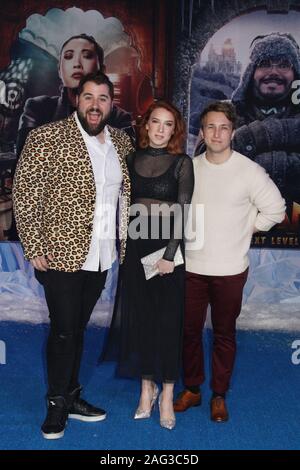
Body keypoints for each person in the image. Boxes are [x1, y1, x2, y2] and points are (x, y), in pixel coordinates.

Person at [13, 71, 133, 439]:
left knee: (78, 329)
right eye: (88, 97)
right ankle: (56, 403)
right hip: (60, 255)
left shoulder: (123, 143)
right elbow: (25, 193)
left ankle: (72, 393)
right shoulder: (46, 138)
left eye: (103, 99)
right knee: (64, 331)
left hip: (101, 254)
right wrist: (34, 247)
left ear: (111, 105)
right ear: (75, 100)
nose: (95, 105)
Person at [174, 101, 286, 422]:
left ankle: (219, 395)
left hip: (230, 272)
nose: (217, 133)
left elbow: (276, 210)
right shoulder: (190, 169)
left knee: (225, 334)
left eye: (224, 127)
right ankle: (193, 389)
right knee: (189, 332)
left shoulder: (249, 171)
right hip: (192, 268)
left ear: (232, 132)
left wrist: (248, 226)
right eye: (211, 127)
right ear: (203, 131)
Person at [108, 101, 194, 430]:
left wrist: (170, 255)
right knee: (142, 320)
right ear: (145, 125)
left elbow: (183, 212)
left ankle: (168, 394)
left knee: (169, 322)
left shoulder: (182, 163)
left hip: (168, 251)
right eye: (155, 122)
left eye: (167, 124)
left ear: (175, 130)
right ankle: (147, 390)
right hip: (137, 247)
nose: (160, 129)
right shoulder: (130, 160)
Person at [196, 32, 300, 218]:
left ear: (295, 74)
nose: (274, 72)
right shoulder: (223, 111)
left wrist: (243, 154)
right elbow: (205, 164)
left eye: (284, 65)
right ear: (251, 72)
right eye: (265, 64)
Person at [16, 33, 134, 157]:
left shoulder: (119, 118)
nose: (77, 63)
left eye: (87, 56)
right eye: (68, 56)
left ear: (102, 70)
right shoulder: (37, 108)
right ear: (59, 70)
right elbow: (26, 160)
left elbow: (124, 164)